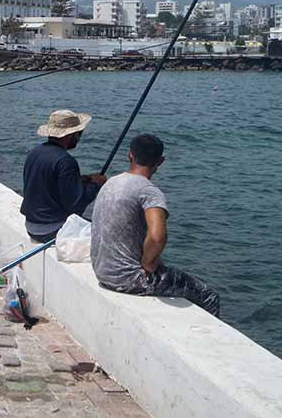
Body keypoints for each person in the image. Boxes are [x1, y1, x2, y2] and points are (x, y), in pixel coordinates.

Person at [91, 134, 220, 316]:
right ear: (160, 161)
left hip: (102, 272)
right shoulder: (148, 191)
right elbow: (157, 236)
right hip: (129, 280)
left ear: (130, 155)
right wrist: (147, 263)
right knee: (209, 296)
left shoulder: (111, 182)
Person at [20, 110, 106, 242]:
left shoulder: (34, 152)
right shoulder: (66, 161)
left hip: (31, 226)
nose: (79, 137)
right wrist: (96, 185)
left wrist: (82, 180)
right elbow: (75, 204)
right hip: (51, 230)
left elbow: (47, 182)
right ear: (69, 135)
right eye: (78, 133)